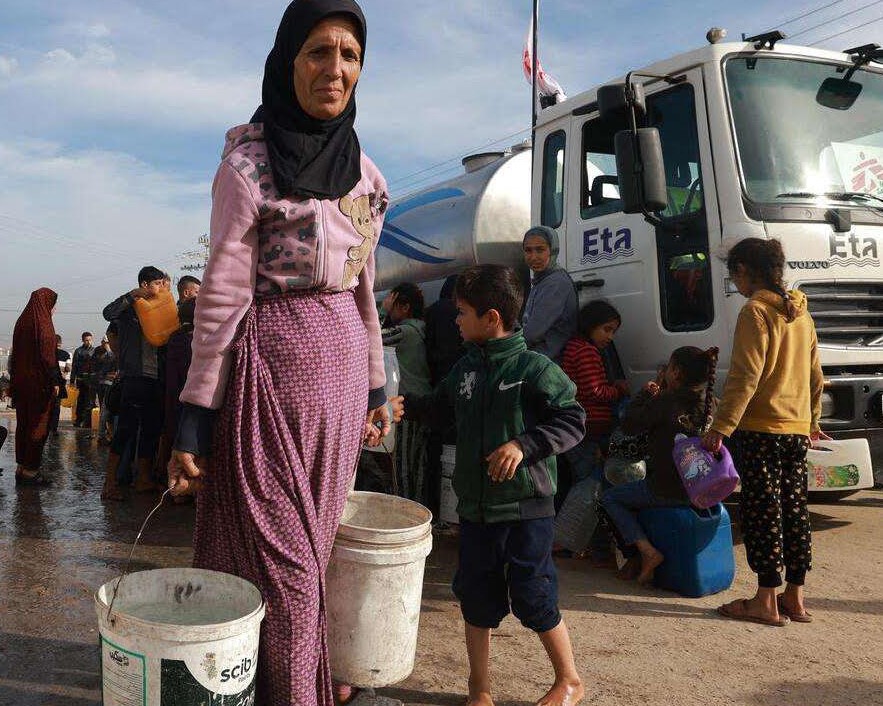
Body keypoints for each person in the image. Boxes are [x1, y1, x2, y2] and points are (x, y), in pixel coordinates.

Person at [166, 3, 395, 703]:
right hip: (267, 378)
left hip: (337, 390)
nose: (335, 69)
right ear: (287, 61)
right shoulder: (247, 167)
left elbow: (364, 289)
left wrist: (376, 388)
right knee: (286, 565)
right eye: (318, 52)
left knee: (314, 556)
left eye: (350, 56)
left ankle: (279, 685)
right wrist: (195, 414)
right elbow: (222, 293)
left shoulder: (366, 176)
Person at [406, 265, 586, 706]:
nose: (455, 320)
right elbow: (437, 411)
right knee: (476, 597)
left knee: (534, 595)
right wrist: (401, 406)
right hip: (475, 509)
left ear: (491, 318)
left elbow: (572, 419)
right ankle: (479, 688)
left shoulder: (534, 368)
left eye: (462, 312)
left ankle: (569, 681)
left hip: (526, 509)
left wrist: (524, 445)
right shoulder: (465, 370)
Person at [703, 238, 824, 627]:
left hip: (761, 429)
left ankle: (765, 601)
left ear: (742, 270)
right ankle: (795, 597)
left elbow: (745, 377)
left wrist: (721, 426)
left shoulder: (755, 311)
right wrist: (813, 421)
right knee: (795, 509)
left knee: (762, 511)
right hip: (796, 428)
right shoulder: (801, 313)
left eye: (734, 276)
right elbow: (815, 375)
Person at [600, 346, 718, 584]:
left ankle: (644, 553)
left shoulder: (666, 401)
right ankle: (637, 561)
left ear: (676, 372)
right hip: (702, 489)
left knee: (609, 498)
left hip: (666, 490)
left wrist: (646, 393)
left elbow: (629, 425)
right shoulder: (712, 403)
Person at [555, 301, 628, 560]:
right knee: (588, 486)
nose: (610, 337)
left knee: (581, 481)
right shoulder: (586, 351)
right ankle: (572, 541)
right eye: (606, 329)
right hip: (588, 428)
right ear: (590, 326)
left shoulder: (574, 347)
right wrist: (618, 390)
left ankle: (571, 540)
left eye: (613, 331)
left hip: (578, 428)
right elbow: (594, 391)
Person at [99, 265, 169, 499]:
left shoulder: (162, 308)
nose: (161, 287)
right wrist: (132, 296)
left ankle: (143, 479)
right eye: (157, 283)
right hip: (134, 376)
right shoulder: (129, 309)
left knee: (150, 429)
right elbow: (108, 313)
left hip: (155, 378)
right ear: (144, 285)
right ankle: (109, 484)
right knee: (125, 430)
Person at [382, 283, 432, 501]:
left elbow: (373, 339)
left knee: (402, 468)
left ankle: (402, 510)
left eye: (391, 303)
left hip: (408, 407)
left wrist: (382, 310)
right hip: (420, 405)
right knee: (415, 468)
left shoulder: (406, 332)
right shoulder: (419, 329)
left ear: (404, 307)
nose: (388, 307)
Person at [9, 288, 60, 485]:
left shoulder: (22, 322)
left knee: (23, 424)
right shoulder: (43, 324)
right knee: (39, 425)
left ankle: (21, 466)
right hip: (39, 385)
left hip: (21, 384)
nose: (54, 310)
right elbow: (48, 357)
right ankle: (31, 470)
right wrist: (55, 381)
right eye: (52, 305)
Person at [521, 225, 577, 361]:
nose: (533, 257)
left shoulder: (555, 283)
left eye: (540, 250)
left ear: (553, 250)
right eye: (528, 250)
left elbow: (532, 333)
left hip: (550, 362)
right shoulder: (542, 280)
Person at [70, 331, 95, 427]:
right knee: (80, 400)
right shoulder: (78, 351)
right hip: (81, 380)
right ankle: (78, 420)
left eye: (90, 340)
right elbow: (74, 366)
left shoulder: (94, 351)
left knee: (90, 401)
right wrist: (72, 380)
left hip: (91, 380)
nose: (88, 342)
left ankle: (87, 421)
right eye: (86, 340)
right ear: (83, 340)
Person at [48, 334, 71, 435]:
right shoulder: (66, 355)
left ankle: (47, 426)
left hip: (49, 383)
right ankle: (54, 428)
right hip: (61, 383)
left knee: (48, 406)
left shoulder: (48, 354)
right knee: (57, 407)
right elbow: (68, 369)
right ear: (60, 343)